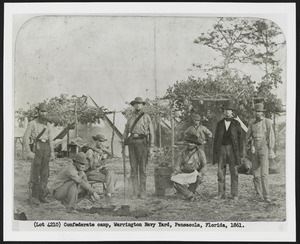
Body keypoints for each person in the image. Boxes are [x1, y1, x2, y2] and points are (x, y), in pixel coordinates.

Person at [22, 103, 55, 205]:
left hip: (46, 149)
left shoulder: (48, 124)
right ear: (38, 112)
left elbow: (50, 139)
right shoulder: (32, 123)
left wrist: (52, 152)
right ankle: (35, 197)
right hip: (37, 147)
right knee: (35, 173)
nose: (43, 113)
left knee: (45, 174)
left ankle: (42, 196)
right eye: (41, 111)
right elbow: (25, 138)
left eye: (45, 111)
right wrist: (28, 151)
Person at [123, 97, 154, 199]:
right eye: (136, 103)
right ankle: (135, 192)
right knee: (133, 169)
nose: (138, 105)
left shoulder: (146, 117)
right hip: (132, 142)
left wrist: (151, 147)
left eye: (140, 104)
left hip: (142, 142)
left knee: (143, 169)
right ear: (133, 105)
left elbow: (152, 133)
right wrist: (124, 143)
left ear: (143, 105)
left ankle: (143, 192)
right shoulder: (130, 118)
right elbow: (126, 131)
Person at [244, 103, 275, 203]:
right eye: (256, 111)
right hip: (254, 148)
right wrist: (250, 146)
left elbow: (271, 137)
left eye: (260, 111)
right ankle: (259, 195)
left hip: (264, 147)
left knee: (264, 174)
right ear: (254, 112)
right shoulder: (251, 122)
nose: (258, 113)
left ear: (263, 112)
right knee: (256, 174)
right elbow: (247, 137)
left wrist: (270, 149)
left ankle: (267, 196)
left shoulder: (267, 122)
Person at [213, 100, 243, 201]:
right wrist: (215, 153)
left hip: (233, 150)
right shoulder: (219, 124)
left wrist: (240, 153)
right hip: (221, 149)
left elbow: (240, 140)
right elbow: (216, 139)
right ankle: (221, 194)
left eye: (229, 110)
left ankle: (234, 194)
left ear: (232, 112)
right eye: (225, 110)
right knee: (220, 172)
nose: (227, 112)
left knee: (234, 172)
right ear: (223, 112)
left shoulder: (236, 123)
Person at [82, 134, 117, 204]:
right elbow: (92, 166)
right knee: (111, 177)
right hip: (90, 173)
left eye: (103, 141)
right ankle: (108, 196)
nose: (101, 143)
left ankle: (108, 193)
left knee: (113, 175)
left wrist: (104, 150)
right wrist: (101, 162)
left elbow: (114, 155)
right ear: (96, 141)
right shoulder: (90, 152)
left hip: (98, 171)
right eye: (100, 141)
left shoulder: (102, 150)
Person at [171, 134, 206, 202]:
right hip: (185, 173)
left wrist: (200, 173)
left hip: (196, 173)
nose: (190, 144)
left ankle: (187, 194)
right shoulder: (183, 152)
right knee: (174, 179)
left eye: (192, 143)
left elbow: (204, 165)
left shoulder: (200, 153)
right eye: (189, 142)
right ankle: (190, 195)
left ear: (196, 144)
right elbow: (178, 164)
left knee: (198, 179)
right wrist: (175, 172)